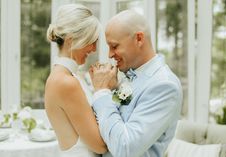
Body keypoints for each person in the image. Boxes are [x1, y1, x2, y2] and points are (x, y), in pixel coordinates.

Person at [89, 10, 183, 157]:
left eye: (114, 46)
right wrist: (111, 89)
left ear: (139, 39)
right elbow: (114, 121)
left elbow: (125, 148)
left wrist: (102, 92)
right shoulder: (131, 76)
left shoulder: (164, 85)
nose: (110, 55)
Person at [44, 4, 107, 157]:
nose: (94, 49)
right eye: (91, 41)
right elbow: (100, 146)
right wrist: (102, 90)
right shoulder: (66, 82)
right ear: (71, 40)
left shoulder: (65, 76)